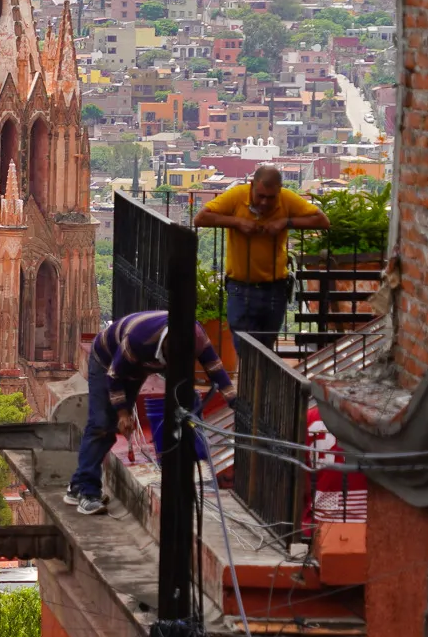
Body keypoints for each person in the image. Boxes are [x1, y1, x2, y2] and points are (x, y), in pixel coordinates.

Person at [66, 310, 235, 515]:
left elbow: (215, 368)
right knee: (102, 424)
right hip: (107, 362)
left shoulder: (197, 336)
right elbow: (114, 376)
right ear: (163, 349)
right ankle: (88, 492)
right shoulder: (139, 340)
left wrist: (233, 400)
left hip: (138, 368)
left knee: (113, 426)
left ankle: (78, 484)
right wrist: (122, 413)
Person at [193, 165, 329, 354]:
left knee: (266, 350)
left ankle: (258, 383)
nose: (264, 202)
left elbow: (322, 220)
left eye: (271, 198)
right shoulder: (237, 196)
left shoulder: (287, 199)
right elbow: (200, 218)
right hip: (240, 287)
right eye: (260, 196)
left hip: (275, 288)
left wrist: (285, 223)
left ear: (279, 191)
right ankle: (251, 382)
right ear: (252, 186)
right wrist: (237, 222)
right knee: (245, 348)